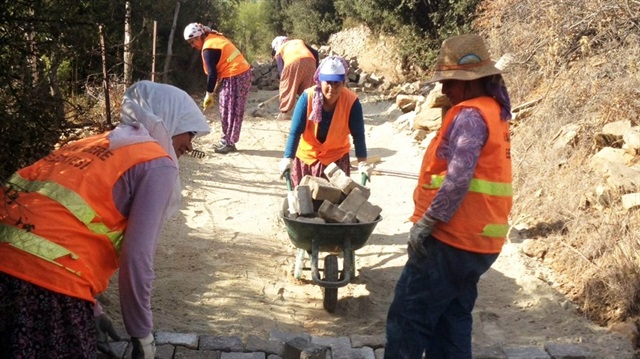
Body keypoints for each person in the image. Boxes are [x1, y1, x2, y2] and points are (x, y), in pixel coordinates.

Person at [0, 80, 211, 359]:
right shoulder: (157, 162)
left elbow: (57, 226)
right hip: (48, 288)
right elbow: (136, 258)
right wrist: (142, 335)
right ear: (168, 118)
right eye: (189, 132)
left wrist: (92, 309)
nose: (189, 143)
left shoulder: (90, 144)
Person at [384, 33, 513, 359]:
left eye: (450, 83)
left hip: (450, 241)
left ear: (470, 82)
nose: (443, 90)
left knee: (408, 321)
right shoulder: (492, 112)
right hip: (480, 244)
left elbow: (456, 181)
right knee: (451, 323)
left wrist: (425, 223)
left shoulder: (470, 116)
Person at [278, 55, 372, 187]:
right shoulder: (307, 98)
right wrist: (288, 158)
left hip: (336, 161)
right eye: (328, 82)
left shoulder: (352, 102)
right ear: (319, 81)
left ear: (344, 83)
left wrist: (362, 162)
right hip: (307, 159)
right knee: (304, 202)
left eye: (337, 83)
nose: (332, 88)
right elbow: (295, 132)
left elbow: (358, 135)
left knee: (335, 203)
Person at [184, 22, 252, 154]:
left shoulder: (208, 48)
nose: (193, 46)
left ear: (199, 37)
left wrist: (208, 94)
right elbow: (220, 67)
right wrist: (213, 91)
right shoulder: (213, 37)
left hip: (236, 74)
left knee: (229, 108)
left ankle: (229, 142)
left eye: (193, 42)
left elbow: (212, 74)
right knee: (227, 107)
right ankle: (226, 140)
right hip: (240, 73)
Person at [271, 36, 319, 120]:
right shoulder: (298, 42)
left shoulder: (280, 49)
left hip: (293, 62)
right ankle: (310, 112)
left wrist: (287, 85)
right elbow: (315, 53)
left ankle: (285, 113)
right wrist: (316, 70)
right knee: (308, 89)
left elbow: (282, 72)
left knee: (286, 87)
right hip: (311, 62)